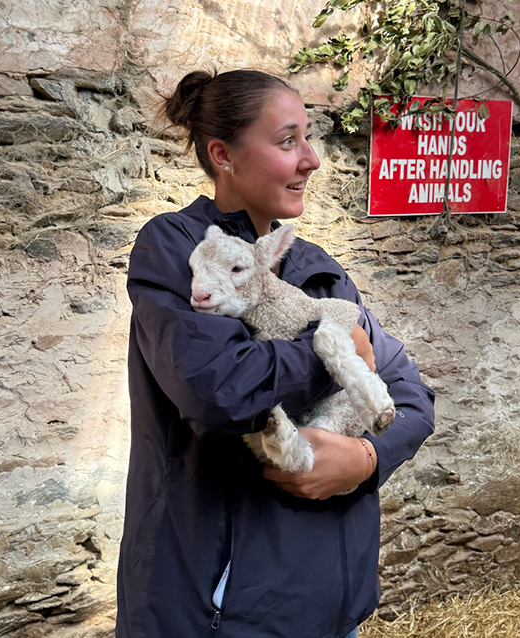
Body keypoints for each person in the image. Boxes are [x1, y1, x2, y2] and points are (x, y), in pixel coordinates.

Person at [115, 69, 435, 638]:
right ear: (224, 155)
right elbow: (220, 390)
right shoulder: (177, 251)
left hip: (332, 611)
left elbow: (411, 396)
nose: (311, 159)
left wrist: (365, 461)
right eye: (288, 141)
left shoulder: (317, 270)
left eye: (307, 139)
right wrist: (334, 352)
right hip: (221, 616)